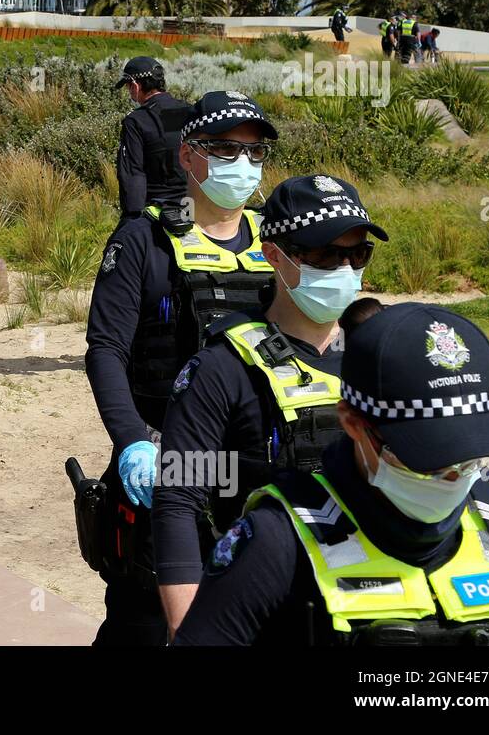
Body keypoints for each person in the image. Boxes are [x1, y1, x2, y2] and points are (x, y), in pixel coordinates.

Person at [174, 302, 489, 646]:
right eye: (423, 457)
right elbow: (178, 491)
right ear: (352, 423)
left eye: (468, 456)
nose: (453, 478)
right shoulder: (275, 543)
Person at [80, 90, 278, 646]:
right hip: (163, 457)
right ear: (188, 155)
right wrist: (129, 443)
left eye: (254, 151)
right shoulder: (144, 240)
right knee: (141, 622)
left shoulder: (281, 247)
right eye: (223, 148)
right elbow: (105, 349)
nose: (242, 163)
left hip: (251, 468)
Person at [153, 174, 388, 635]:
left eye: (357, 253)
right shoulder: (221, 368)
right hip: (268, 604)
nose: (344, 269)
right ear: (274, 255)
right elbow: (178, 503)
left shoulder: (385, 358)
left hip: (378, 600)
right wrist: (189, 633)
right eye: (325, 254)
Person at [113, 57, 192, 221]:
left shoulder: (136, 121)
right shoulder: (189, 110)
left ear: (135, 85)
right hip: (193, 206)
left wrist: (132, 219)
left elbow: (132, 173)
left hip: (157, 211)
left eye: (128, 86)